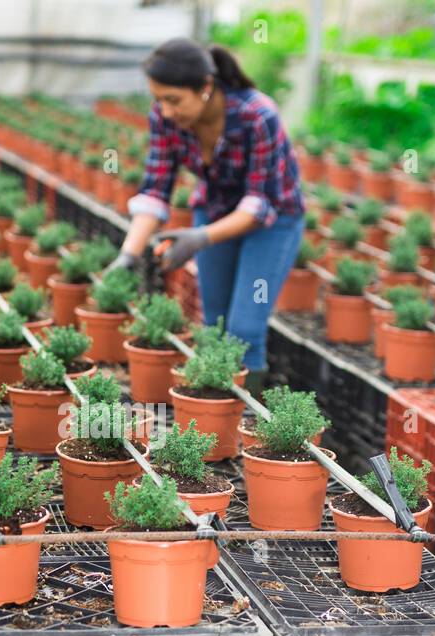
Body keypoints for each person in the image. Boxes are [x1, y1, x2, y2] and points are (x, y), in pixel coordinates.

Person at [108, 38, 304, 397]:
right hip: (214, 212)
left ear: (206, 88)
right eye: (159, 99)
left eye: (174, 100)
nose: (165, 111)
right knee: (213, 323)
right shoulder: (166, 119)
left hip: (274, 222)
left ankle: (249, 421)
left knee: (244, 328)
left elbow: (260, 204)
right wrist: (128, 255)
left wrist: (200, 238)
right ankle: (217, 416)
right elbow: (156, 188)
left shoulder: (258, 116)